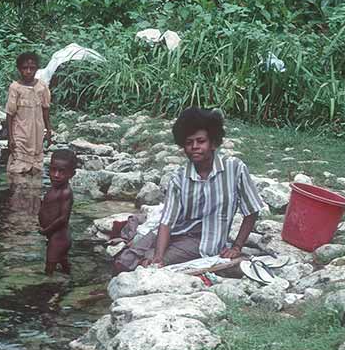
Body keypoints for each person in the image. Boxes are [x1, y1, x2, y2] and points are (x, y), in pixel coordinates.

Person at [114, 107, 266, 272]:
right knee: (124, 260)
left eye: (201, 141)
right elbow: (166, 222)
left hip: (201, 241)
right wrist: (159, 253)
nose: (194, 147)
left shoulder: (234, 168)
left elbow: (252, 210)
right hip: (174, 232)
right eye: (189, 142)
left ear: (213, 143)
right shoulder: (179, 178)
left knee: (147, 263)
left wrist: (236, 247)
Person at [5, 52, 51, 175]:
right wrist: (10, 139)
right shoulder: (15, 88)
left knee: (35, 169)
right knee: (17, 169)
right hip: (20, 134)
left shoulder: (42, 87)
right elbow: (10, 114)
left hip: (37, 134)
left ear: (36, 69)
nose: (28, 71)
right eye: (25, 68)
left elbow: (45, 109)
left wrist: (49, 131)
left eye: (32, 68)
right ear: (19, 69)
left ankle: (33, 192)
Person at [39, 149, 76, 274]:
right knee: (62, 260)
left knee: (49, 268)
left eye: (62, 171)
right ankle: (70, 277)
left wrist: (46, 230)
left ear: (72, 174)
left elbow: (63, 218)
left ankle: (49, 289)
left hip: (59, 237)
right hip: (53, 236)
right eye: (53, 169)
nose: (56, 175)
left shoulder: (65, 192)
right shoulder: (53, 187)